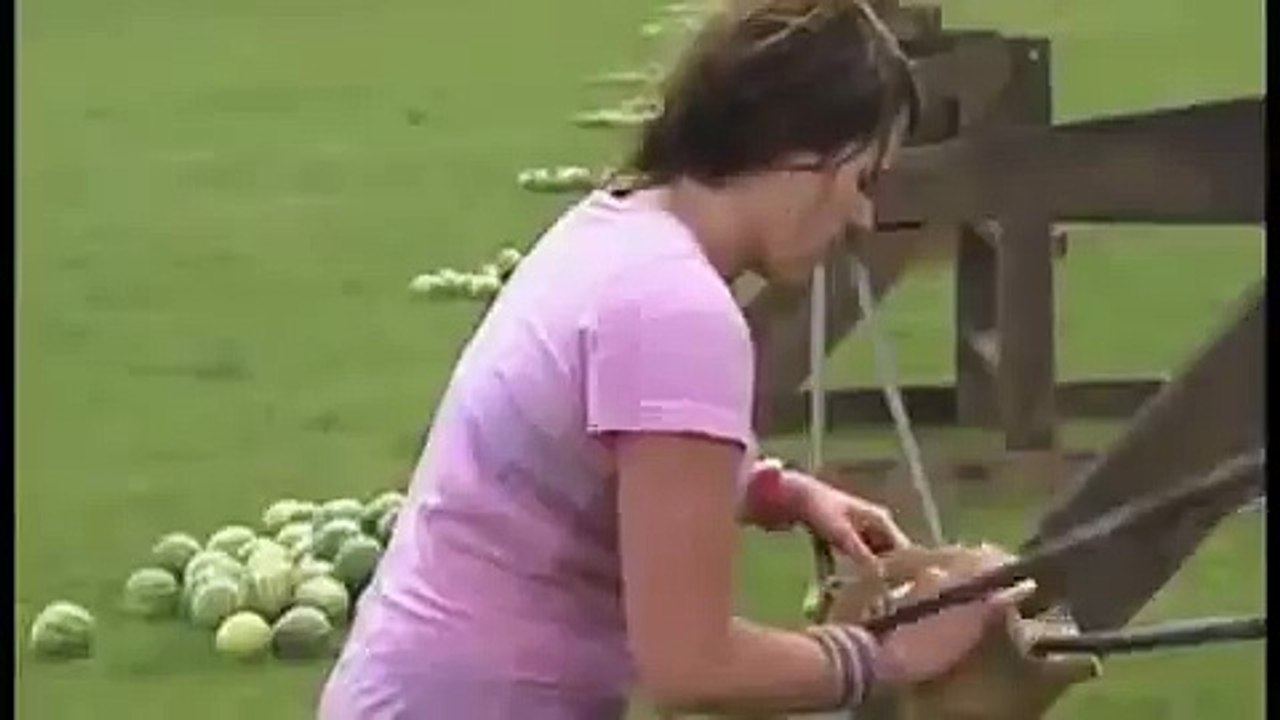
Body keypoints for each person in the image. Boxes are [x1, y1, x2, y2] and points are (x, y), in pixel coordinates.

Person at [318, 1, 1028, 717]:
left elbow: (602, 445)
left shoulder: (617, 229)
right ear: (797, 148)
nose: (862, 217)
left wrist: (779, 493)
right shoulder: (677, 310)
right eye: (863, 179)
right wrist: (888, 658)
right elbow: (692, 665)